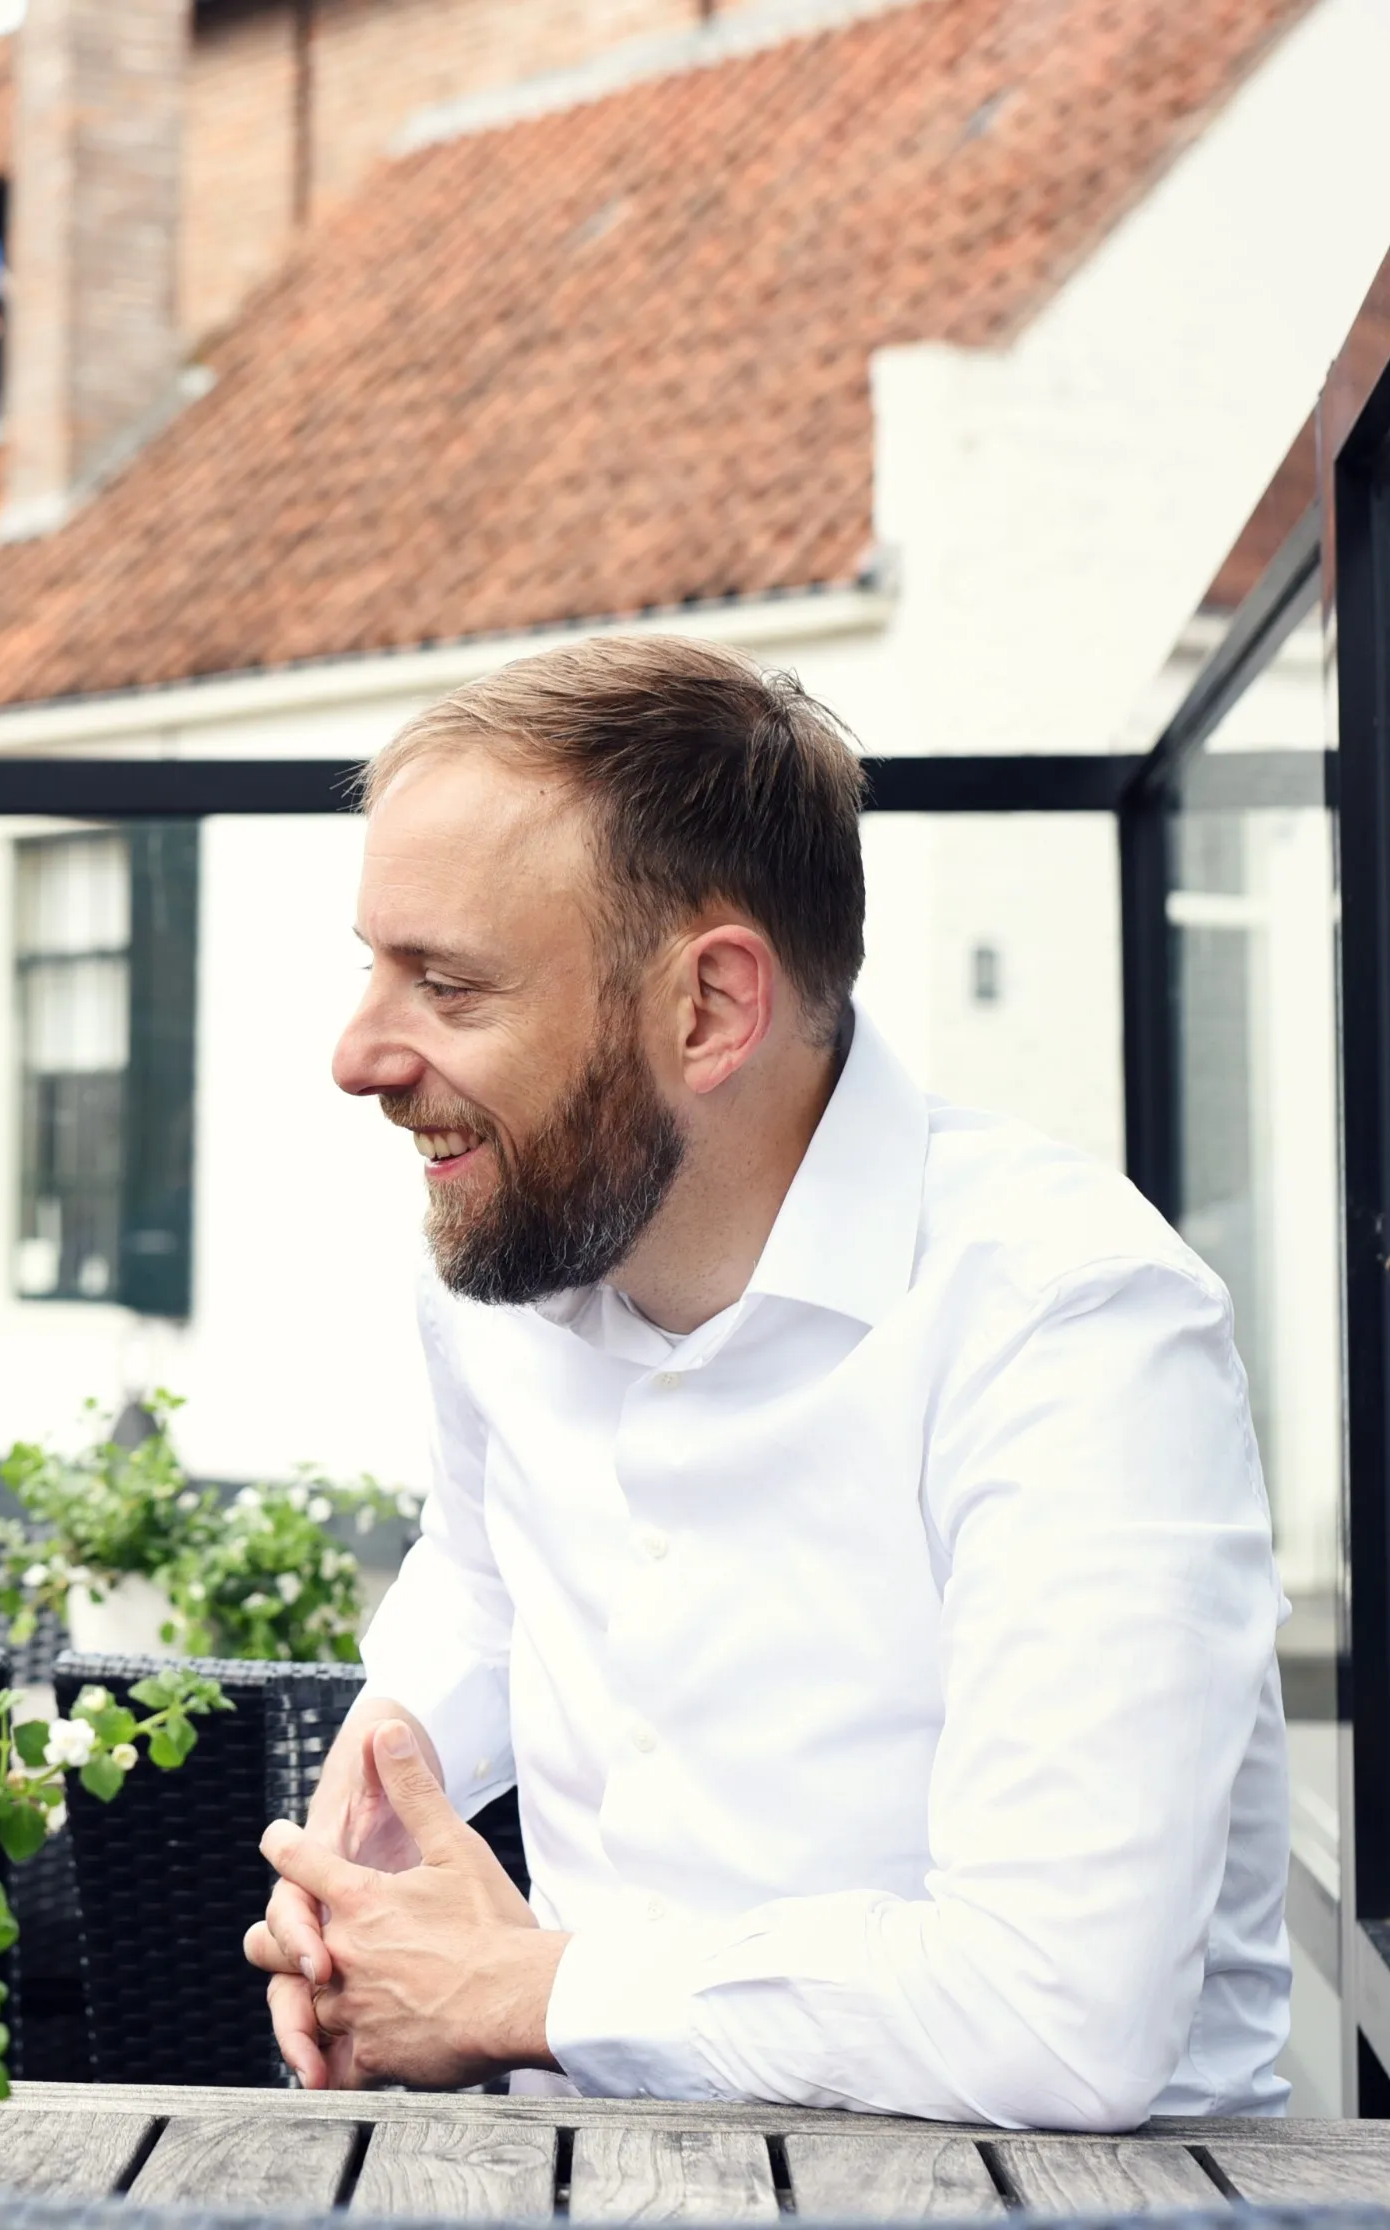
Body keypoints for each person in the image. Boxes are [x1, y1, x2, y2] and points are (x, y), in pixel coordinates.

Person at [247, 636, 1290, 2127]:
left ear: (708, 1010)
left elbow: (1057, 2018)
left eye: (446, 984)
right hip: (583, 2157)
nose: (357, 1051)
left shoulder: (1071, 1322)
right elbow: (484, 1570)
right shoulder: (510, 1247)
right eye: (371, 962)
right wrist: (373, 1834)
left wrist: (516, 1989)